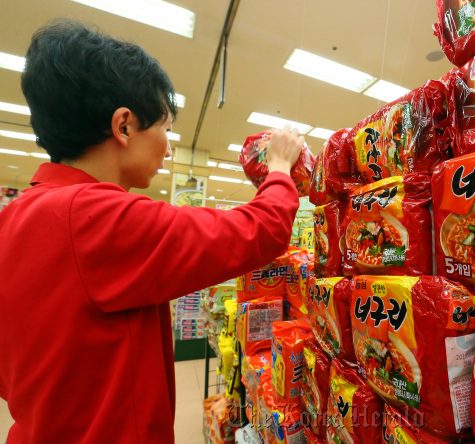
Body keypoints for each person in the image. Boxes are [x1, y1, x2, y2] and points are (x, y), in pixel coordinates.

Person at [0, 20, 304, 443]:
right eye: (163, 127)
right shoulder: (94, 215)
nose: (166, 144)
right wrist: (278, 166)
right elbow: (261, 231)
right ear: (124, 125)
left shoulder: (14, 218)